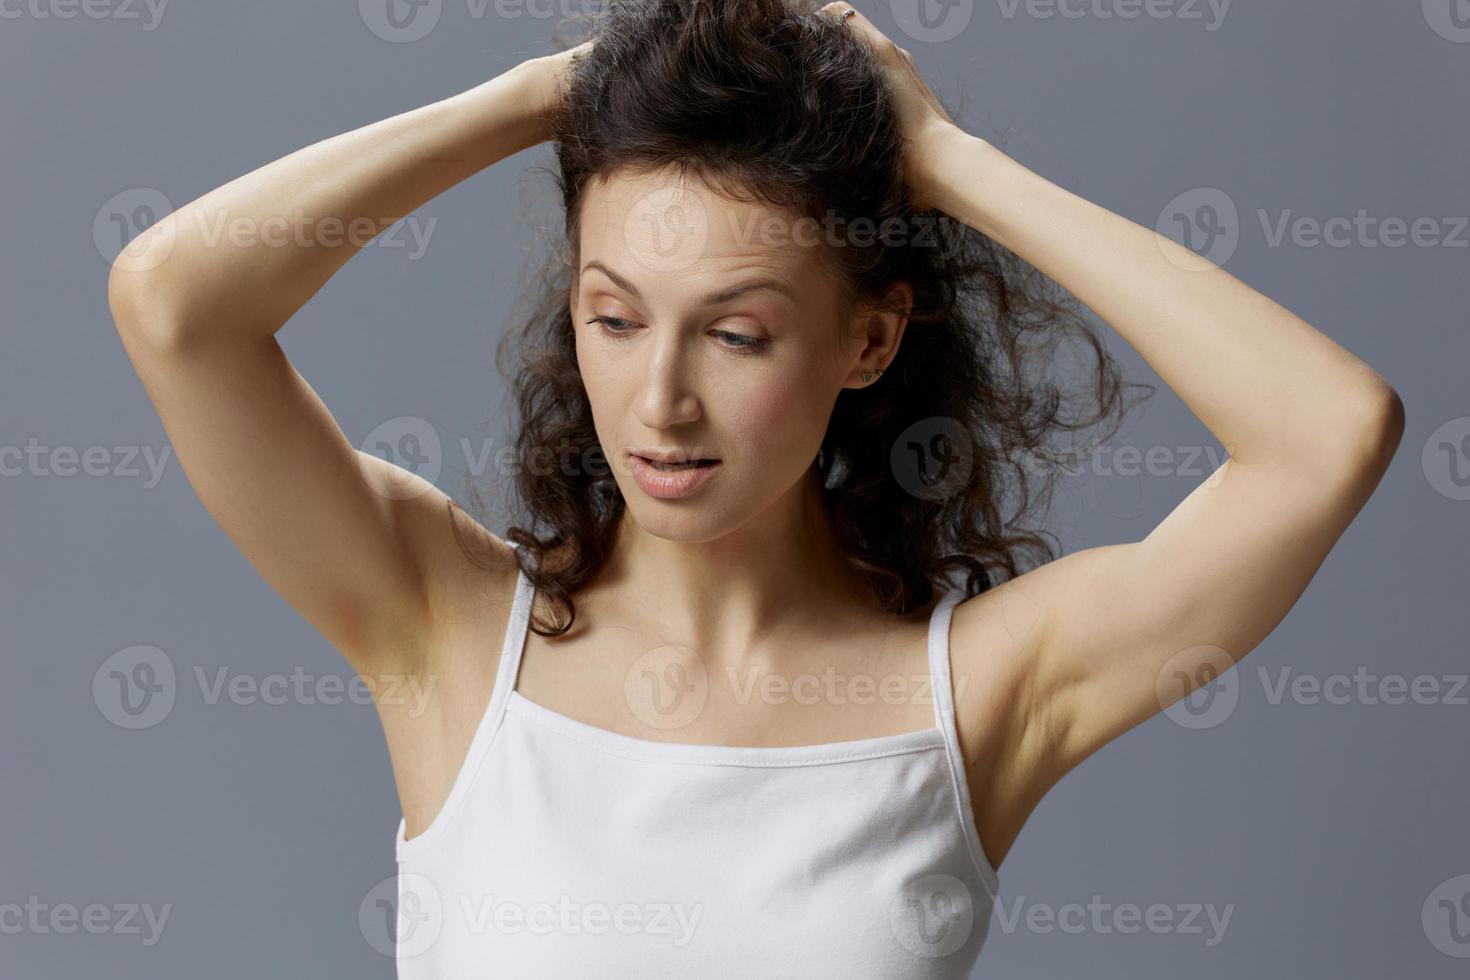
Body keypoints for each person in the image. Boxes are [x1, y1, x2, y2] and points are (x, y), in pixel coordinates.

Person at [106, 0, 1403, 974]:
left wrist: (939, 158)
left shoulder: (980, 695)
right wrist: (553, 95)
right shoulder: (442, 628)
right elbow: (174, 304)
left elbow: (1326, 432)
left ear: (867, 340)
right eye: (615, 318)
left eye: (735, 334)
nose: (660, 398)